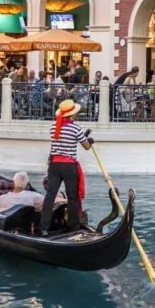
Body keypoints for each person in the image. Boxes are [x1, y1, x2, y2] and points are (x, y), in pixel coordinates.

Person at [40, 99, 94, 235]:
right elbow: (86, 146)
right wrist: (90, 141)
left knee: (50, 195)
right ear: (72, 114)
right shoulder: (76, 128)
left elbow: (60, 142)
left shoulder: (53, 127)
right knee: (72, 197)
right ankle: (73, 227)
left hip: (54, 165)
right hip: (69, 167)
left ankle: (44, 228)